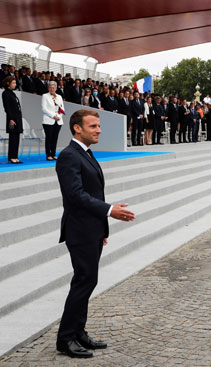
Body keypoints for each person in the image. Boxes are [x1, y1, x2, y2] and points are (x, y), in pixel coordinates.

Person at [55, 109, 135, 358]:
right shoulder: (69, 156)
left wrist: (101, 227)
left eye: (98, 126)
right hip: (79, 231)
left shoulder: (85, 153)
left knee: (88, 281)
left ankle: (78, 332)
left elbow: (93, 193)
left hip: (91, 229)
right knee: (83, 281)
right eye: (93, 126)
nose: (99, 130)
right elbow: (76, 196)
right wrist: (110, 210)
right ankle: (66, 338)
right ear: (77, 128)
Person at [41, 81, 65, 160]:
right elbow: (44, 109)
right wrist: (53, 116)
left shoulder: (59, 97)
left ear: (56, 88)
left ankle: (54, 154)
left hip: (58, 120)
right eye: (50, 88)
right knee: (49, 138)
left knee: (55, 138)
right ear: (48, 88)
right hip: (48, 120)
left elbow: (62, 109)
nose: (52, 89)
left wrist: (58, 116)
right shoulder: (45, 96)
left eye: (53, 88)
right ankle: (48, 155)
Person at [2, 76, 23, 163]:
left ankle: (15, 156)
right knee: (13, 138)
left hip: (17, 118)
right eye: (13, 83)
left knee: (17, 138)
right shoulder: (5, 93)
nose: (15, 84)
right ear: (8, 83)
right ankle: (11, 157)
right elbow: (7, 108)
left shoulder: (12, 93)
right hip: (12, 119)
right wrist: (11, 119)